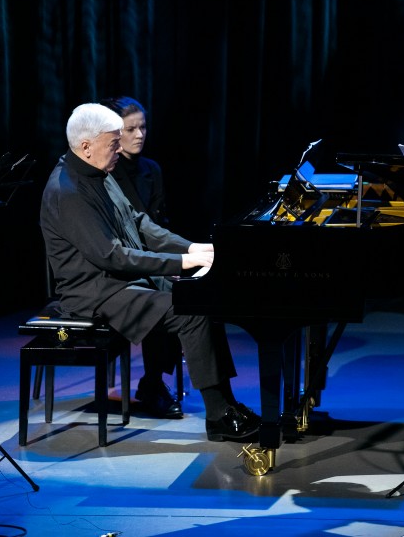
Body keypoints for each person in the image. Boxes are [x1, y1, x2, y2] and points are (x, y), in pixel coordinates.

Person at [40, 102, 260, 442]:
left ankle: (228, 404)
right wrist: (181, 263)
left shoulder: (101, 173)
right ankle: (218, 417)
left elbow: (139, 222)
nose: (119, 150)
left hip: (119, 281)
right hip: (96, 293)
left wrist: (190, 248)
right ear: (86, 146)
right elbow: (111, 257)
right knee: (190, 312)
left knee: (203, 300)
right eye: (113, 143)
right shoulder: (67, 192)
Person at [100, 96, 168, 226]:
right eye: (130, 129)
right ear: (114, 132)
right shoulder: (105, 171)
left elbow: (160, 220)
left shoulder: (152, 168)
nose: (140, 135)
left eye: (143, 127)